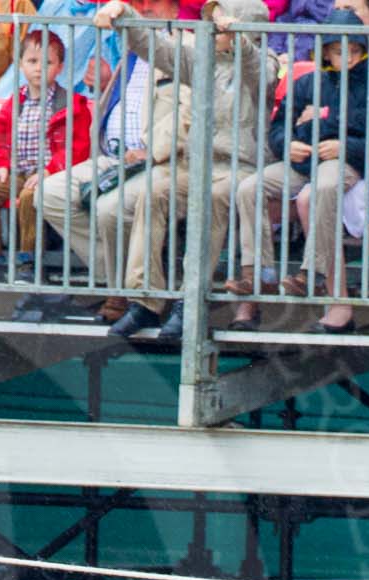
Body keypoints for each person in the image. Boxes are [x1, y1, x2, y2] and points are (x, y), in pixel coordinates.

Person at [97, 0, 279, 341]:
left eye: (220, 18)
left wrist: (235, 35)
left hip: (238, 165)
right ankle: (144, 300)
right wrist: (126, 15)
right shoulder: (201, 58)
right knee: (153, 193)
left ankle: (188, 301)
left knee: (213, 198)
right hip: (194, 162)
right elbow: (159, 49)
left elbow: (257, 68)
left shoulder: (263, 62)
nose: (212, 24)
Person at [227, 14, 369, 333]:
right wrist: (288, 145)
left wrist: (327, 129)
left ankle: (313, 272)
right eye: (340, 50)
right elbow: (279, 127)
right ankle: (259, 275)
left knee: (324, 187)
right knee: (249, 187)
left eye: (354, 50)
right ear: (325, 52)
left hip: (348, 160)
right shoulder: (306, 83)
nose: (348, 57)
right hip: (304, 160)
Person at [20, 0, 191, 324]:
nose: (146, 9)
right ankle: (125, 280)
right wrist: (102, 84)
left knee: (108, 207)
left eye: (154, 3)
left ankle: (126, 289)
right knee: (50, 194)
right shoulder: (129, 51)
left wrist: (153, 151)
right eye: (139, 4)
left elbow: (187, 114)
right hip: (111, 155)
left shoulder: (183, 49)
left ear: (173, 10)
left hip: (155, 160)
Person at [0, 29, 95, 277]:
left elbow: (77, 148)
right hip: (17, 170)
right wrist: (1, 165)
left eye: (48, 63)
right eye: (32, 61)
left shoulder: (72, 104)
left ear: (60, 67)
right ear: (20, 64)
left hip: (50, 173)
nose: (39, 69)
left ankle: (28, 260)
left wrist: (50, 170)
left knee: (31, 197)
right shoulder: (15, 101)